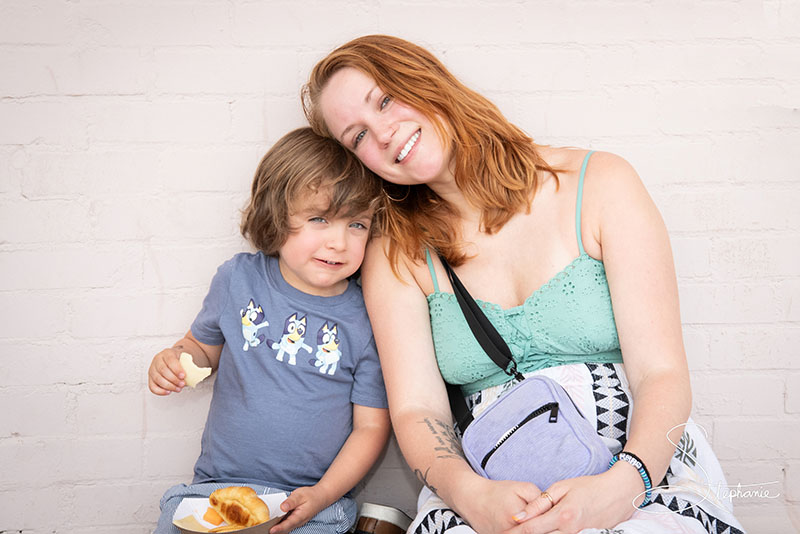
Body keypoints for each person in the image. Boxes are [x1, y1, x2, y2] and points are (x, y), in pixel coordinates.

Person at [302, 35, 745, 534]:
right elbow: (416, 410)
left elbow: (661, 373)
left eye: (385, 100)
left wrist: (626, 484)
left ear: (427, 80)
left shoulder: (599, 183)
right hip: (487, 492)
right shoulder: (395, 251)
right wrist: (474, 497)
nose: (381, 134)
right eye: (357, 136)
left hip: (642, 475)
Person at [148, 127, 391, 534]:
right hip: (218, 488)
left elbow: (371, 427)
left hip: (312, 502)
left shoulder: (366, 316)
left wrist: (325, 493)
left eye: (357, 225)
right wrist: (174, 361)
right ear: (277, 217)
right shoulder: (238, 280)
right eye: (319, 219)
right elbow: (201, 350)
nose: (339, 242)